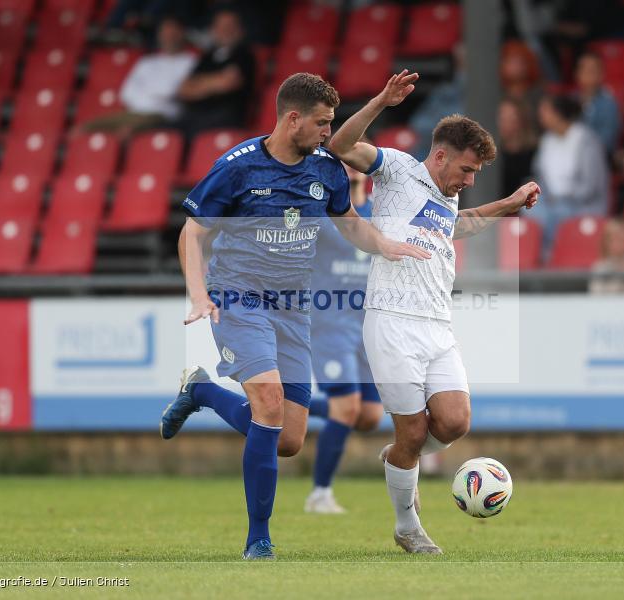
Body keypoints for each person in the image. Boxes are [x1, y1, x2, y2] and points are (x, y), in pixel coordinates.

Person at [159, 73, 429, 560]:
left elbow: (348, 223)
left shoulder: (325, 169)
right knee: (267, 401)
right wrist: (199, 294)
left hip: (294, 308)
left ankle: (199, 389)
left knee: (287, 439)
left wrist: (386, 245)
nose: (331, 133)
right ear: (292, 118)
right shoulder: (238, 168)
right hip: (239, 298)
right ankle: (257, 539)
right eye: (324, 123)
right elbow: (192, 232)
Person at [327, 70, 541, 554]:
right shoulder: (397, 169)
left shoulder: (449, 195)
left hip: (437, 325)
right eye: (466, 170)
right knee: (415, 429)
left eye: (473, 176)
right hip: (392, 321)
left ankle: (400, 459)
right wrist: (382, 99)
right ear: (440, 155)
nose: (467, 180)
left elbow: (456, 226)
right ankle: (408, 527)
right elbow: (341, 145)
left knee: (454, 422)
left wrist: (506, 204)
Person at [304, 165, 383, 514]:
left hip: (369, 328)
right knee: (347, 407)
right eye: (342, 161)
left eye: (355, 160)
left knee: (368, 416)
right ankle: (320, 494)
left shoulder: (378, 215)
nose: (349, 166)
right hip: (330, 324)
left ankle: (285, 402)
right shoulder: (321, 215)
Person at [78, 16, 197, 139]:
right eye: (165, 32)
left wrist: (148, 93)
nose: (168, 37)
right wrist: (154, 96)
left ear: (182, 33)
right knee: (82, 130)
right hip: (134, 113)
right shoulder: (147, 62)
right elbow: (127, 92)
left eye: (173, 32)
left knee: (125, 133)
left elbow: (173, 92)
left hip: (163, 115)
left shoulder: (191, 62)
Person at [531, 94, 609, 256]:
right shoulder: (546, 141)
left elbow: (590, 187)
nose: (540, 115)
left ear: (558, 113)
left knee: (558, 213)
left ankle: (554, 257)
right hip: (552, 201)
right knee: (531, 210)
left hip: (583, 203)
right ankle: (540, 260)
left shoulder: (586, 140)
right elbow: (541, 178)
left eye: (545, 111)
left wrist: (563, 198)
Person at [174, 9, 255, 137]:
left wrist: (200, 83)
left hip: (226, 117)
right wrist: (215, 82)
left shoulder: (244, 55)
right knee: (166, 131)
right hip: (195, 115)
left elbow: (229, 83)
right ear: (213, 29)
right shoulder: (207, 57)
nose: (225, 30)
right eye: (221, 26)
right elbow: (184, 89)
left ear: (240, 29)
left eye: (230, 26)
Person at [575, 51, 621, 154]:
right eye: (584, 69)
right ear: (577, 74)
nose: (588, 74)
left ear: (601, 74)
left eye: (592, 70)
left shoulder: (609, 105)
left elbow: (607, 142)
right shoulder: (569, 101)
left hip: (597, 158)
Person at [497, 98, 538, 197]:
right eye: (502, 118)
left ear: (521, 121)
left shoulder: (535, 152)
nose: (504, 123)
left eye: (510, 118)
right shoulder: (494, 153)